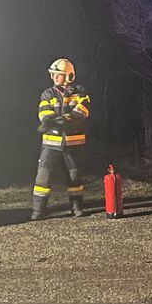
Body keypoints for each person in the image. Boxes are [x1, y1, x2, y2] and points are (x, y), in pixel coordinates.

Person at [31, 58, 91, 221]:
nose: (56, 78)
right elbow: (44, 112)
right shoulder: (47, 94)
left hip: (73, 143)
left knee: (75, 177)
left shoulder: (80, 93)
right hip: (51, 144)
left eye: (59, 75)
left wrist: (63, 119)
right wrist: (51, 120)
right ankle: (39, 210)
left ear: (69, 76)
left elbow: (81, 113)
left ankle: (76, 206)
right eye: (54, 75)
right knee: (43, 177)